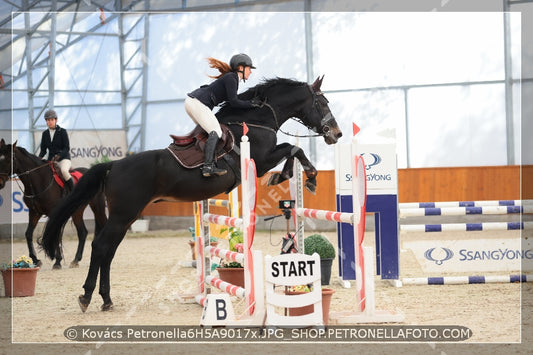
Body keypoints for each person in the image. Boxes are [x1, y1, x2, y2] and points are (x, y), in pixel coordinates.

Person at [185, 53, 261, 177]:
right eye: (249, 68)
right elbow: (234, 102)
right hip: (197, 103)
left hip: (193, 102)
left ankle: (196, 160)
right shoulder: (232, 78)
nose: (250, 72)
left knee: (206, 133)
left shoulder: (231, 78)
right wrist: (251, 104)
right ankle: (208, 167)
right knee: (216, 131)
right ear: (241, 68)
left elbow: (231, 102)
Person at [38, 109, 74, 191]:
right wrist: (38, 158)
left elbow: (66, 148)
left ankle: (73, 191)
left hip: (63, 159)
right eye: (47, 120)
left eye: (51, 120)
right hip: (51, 160)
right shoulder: (45, 134)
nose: (49, 122)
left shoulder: (62, 132)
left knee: (64, 171)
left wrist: (59, 156)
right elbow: (43, 150)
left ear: (56, 120)